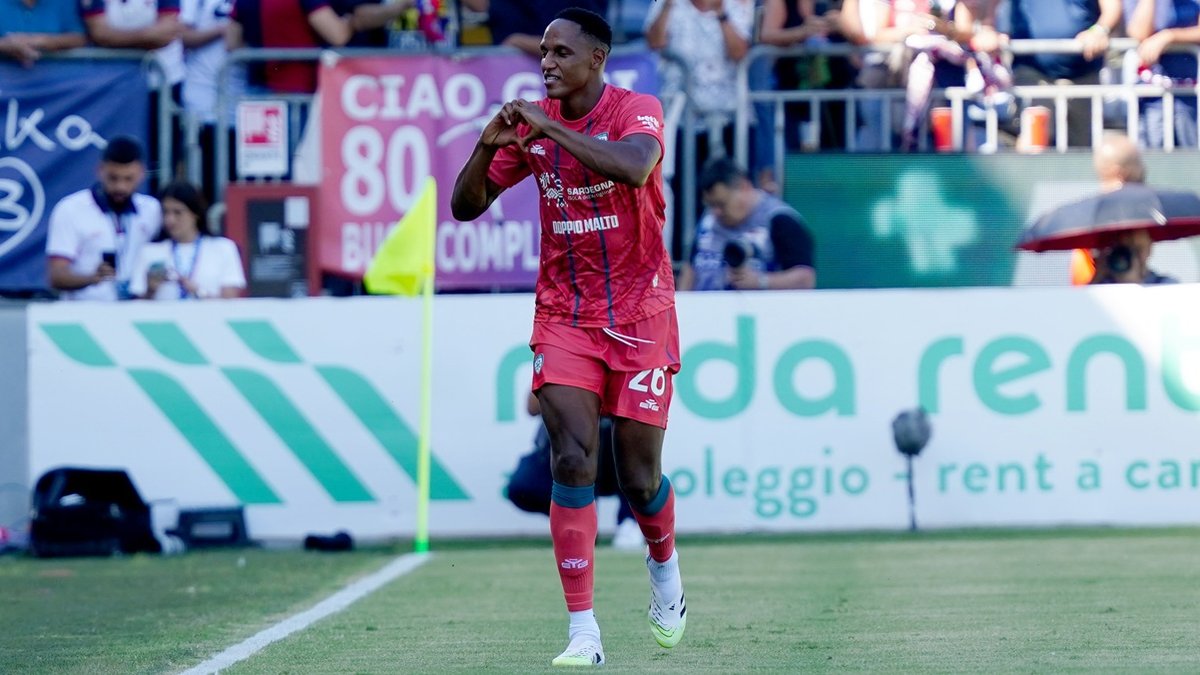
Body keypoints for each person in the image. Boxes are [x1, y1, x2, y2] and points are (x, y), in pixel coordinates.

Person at [450, 8, 685, 667]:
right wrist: (487, 146)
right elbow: (466, 207)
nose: (547, 63)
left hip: (641, 312)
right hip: (565, 313)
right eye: (544, 53)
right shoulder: (531, 130)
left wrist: (549, 126)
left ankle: (664, 566)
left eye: (561, 53)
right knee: (573, 458)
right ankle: (584, 630)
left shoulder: (636, 110)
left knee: (638, 477)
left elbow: (634, 167)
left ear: (597, 59)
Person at [506, 393, 643, 552]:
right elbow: (533, 407)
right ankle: (569, 518)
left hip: (613, 454)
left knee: (632, 450)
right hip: (565, 450)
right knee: (522, 486)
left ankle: (629, 522)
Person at [46, 136, 163, 301]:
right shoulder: (70, 209)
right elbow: (56, 276)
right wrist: (92, 278)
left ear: (142, 173)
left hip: (137, 310)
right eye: (113, 178)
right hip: (84, 311)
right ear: (100, 170)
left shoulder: (152, 210)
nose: (120, 186)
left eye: (128, 179)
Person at [678, 157, 816, 291]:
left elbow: (806, 279)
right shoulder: (708, 221)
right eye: (711, 205)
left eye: (721, 204)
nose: (716, 212)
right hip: (704, 304)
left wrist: (761, 282)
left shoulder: (779, 219)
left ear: (744, 188)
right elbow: (690, 268)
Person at [1006, 0, 1122, 148]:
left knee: (1082, 149)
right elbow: (990, 6)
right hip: (1033, 73)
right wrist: (988, 29)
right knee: (1034, 146)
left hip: (1083, 75)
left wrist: (1099, 30)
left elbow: (1112, 8)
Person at [1083, 132, 1177, 285]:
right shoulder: (1087, 225)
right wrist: (1098, 278)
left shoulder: (1168, 288)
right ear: (1118, 172)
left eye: (1138, 245)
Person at [128, 181, 246, 300]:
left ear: (195, 213)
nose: (170, 220)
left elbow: (230, 300)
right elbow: (136, 303)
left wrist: (198, 292)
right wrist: (151, 290)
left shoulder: (223, 248)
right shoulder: (149, 251)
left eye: (178, 213)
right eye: (165, 212)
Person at [1125, 0, 1200, 149]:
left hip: (1189, 96)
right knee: (1152, 159)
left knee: (1191, 159)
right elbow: (1139, 33)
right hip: (1151, 96)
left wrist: (1169, 36)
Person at [0, 0, 87, 67]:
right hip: (5, 74)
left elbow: (79, 37)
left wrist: (43, 41)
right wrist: (4, 45)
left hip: (56, 74)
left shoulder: (65, 2)